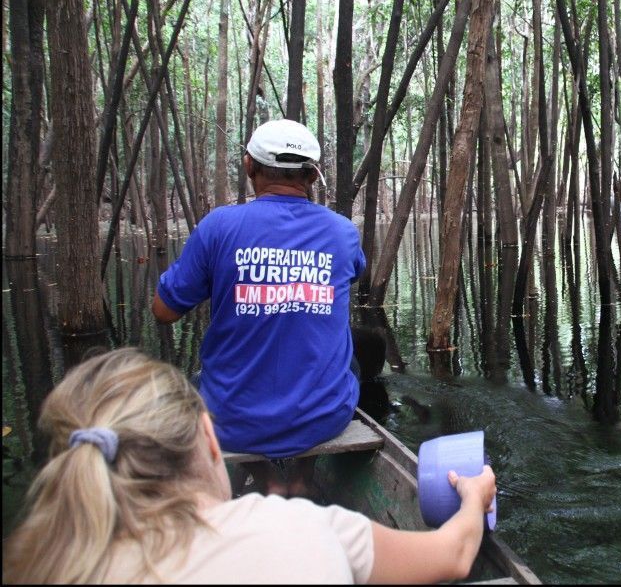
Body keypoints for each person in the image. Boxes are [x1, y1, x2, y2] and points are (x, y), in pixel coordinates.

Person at [2, 348, 497, 584]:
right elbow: (452, 556)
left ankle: (290, 479)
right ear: (210, 441)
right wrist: (473, 499)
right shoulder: (302, 529)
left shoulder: (38, 566)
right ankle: (295, 480)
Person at [151, 119, 364, 497]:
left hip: (233, 424)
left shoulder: (218, 227)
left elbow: (164, 312)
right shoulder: (342, 232)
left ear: (249, 166)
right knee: (352, 360)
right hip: (323, 420)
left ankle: (266, 480)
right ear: (312, 177)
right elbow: (352, 274)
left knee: (202, 380)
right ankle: (302, 476)